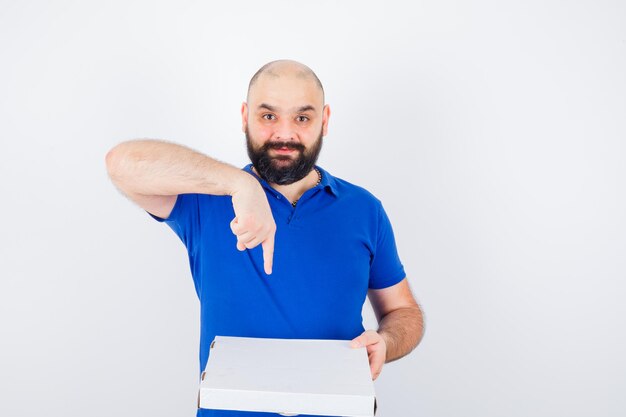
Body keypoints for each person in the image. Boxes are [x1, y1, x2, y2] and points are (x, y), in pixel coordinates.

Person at [106, 59, 424, 417]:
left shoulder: (365, 210)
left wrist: (385, 341)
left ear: (325, 120)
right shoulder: (205, 200)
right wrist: (240, 184)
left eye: (302, 118)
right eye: (268, 116)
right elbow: (121, 163)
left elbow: (403, 311)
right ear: (245, 117)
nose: (284, 135)